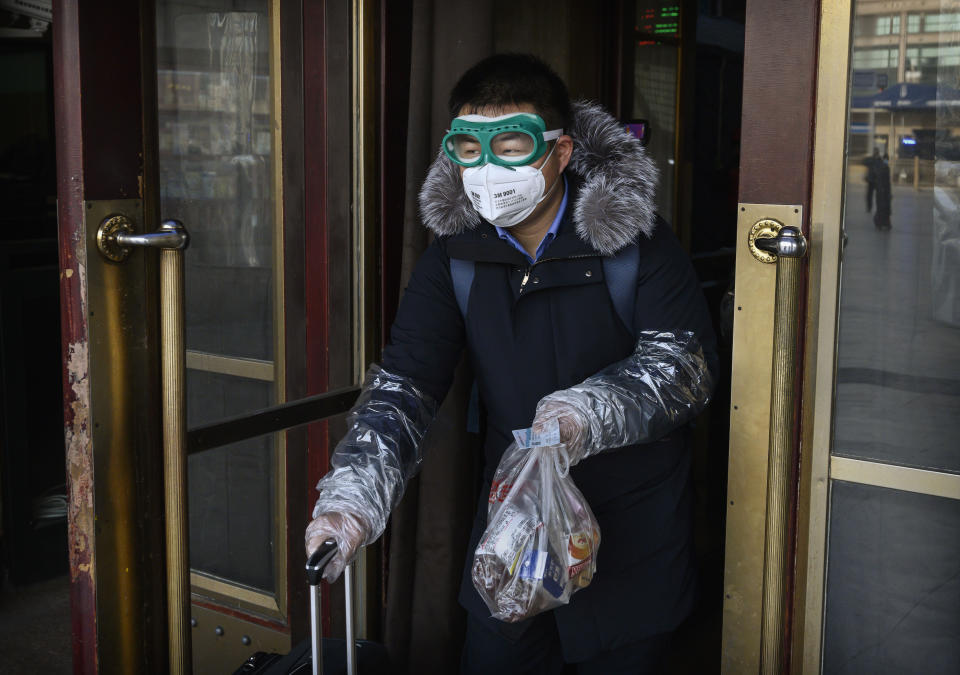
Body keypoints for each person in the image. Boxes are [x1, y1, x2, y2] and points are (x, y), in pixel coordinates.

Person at [305, 53, 718, 674]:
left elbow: (683, 368)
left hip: (633, 529)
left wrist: (587, 413)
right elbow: (405, 384)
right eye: (470, 149)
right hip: (512, 530)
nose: (490, 168)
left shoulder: (636, 247)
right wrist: (353, 498)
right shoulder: (455, 260)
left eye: (512, 144)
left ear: (560, 153)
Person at [873, 153, 892, 230]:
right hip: (883, 192)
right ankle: (882, 223)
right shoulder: (885, 167)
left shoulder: (879, 166)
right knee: (884, 208)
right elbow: (886, 182)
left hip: (879, 191)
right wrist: (887, 192)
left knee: (881, 208)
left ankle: (881, 223)